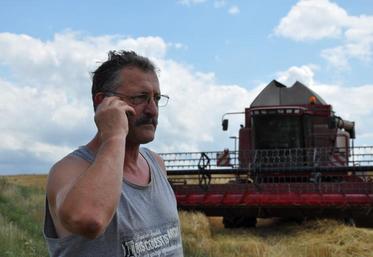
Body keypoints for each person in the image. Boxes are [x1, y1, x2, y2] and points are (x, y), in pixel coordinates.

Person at [43, 50, 184, 257]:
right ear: (102, 102)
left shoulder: (156, 163)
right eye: (140, 97)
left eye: (156, 98)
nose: (153, 110)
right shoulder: (69, 170)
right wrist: (115, 137)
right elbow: (90, 218)